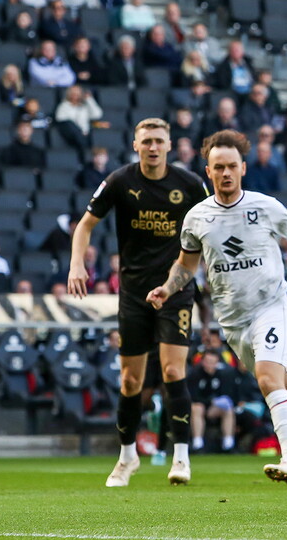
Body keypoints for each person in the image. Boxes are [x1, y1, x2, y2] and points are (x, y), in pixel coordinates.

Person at [146, 129, 287, 489]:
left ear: (243, 168)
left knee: (267, 379)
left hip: (272, 308)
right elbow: (186, 266)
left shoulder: (265, 206)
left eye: (232, 166)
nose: (226, 173)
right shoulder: (197, 217)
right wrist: (167, 289)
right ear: (209, 171)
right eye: (219, 167)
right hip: (233, 323)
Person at [68, 118, 210, 488]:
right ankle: (127, 457)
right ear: (136, 145)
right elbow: (84, 225)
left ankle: (181, 458)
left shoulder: (190, 184)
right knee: (131, 381)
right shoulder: (119, 181)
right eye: (146, 141)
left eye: (158, 141)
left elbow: (215, 224)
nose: (152, 147)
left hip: (175, 288)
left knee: (173, 373)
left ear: (169, 145)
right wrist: (76, 264)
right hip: (132, 293)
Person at [187, 350, 237, 453]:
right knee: (197, 408)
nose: (210, 365)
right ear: (202, 362)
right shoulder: (195, 374)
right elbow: (193, 396)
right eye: (207, 362)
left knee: (228, 410)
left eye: (212, 362)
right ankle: (198, 444)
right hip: (199, 407)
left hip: (213, 409)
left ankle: (228, 444)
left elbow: (226, 394)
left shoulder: (222, 375)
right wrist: (210, 401)